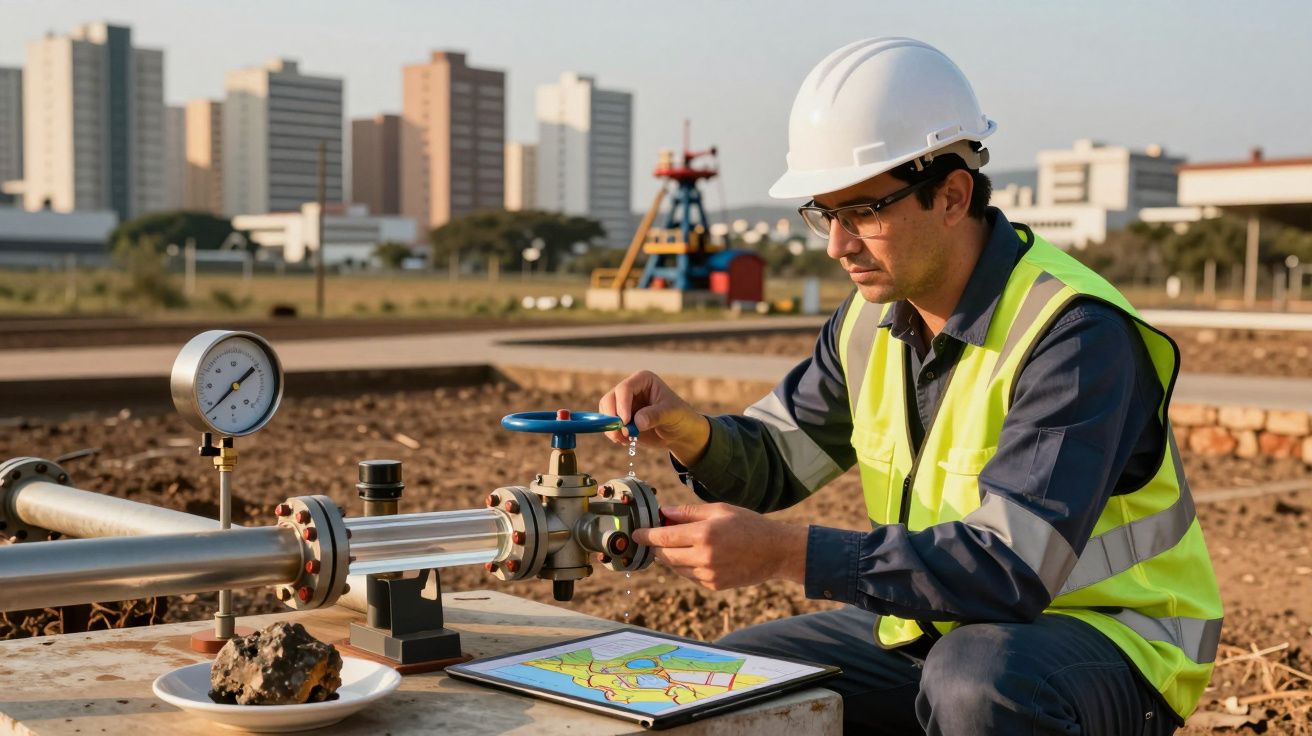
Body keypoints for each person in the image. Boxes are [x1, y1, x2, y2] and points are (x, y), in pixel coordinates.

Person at [601, 37, 1222, 735]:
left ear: (952, 195)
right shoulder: (869, 322)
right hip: (939, 626)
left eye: (863, 211)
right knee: (719, 682)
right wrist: (691, 433)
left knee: (977, 685)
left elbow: (1011, 567)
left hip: (1109, 644)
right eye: (825, 214)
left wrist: (784, 552)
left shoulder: (1074, 334)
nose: (837, 245)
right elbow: (780, 458)